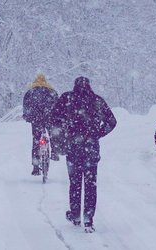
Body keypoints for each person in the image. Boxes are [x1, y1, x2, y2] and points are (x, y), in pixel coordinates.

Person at [52, 76, 117, 233]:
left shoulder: (67, 98)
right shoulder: (97, 101)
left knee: (75, 183)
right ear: (89, 86)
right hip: (91, 147)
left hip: (73, 146)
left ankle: (75, 215)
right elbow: (112, 122)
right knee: (90, 184)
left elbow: (54, 118)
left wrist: (63, 132)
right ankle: (88, 219)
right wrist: (98, 134)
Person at [23, 73, 59, 176]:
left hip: (36, 119)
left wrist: (27, 116)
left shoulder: (30, 92)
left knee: (36, 141)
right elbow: (58, 105)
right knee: (53, 135)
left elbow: (26, 106)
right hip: (49, 118)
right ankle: (54, 153)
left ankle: (35, 167)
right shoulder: (52, 92)